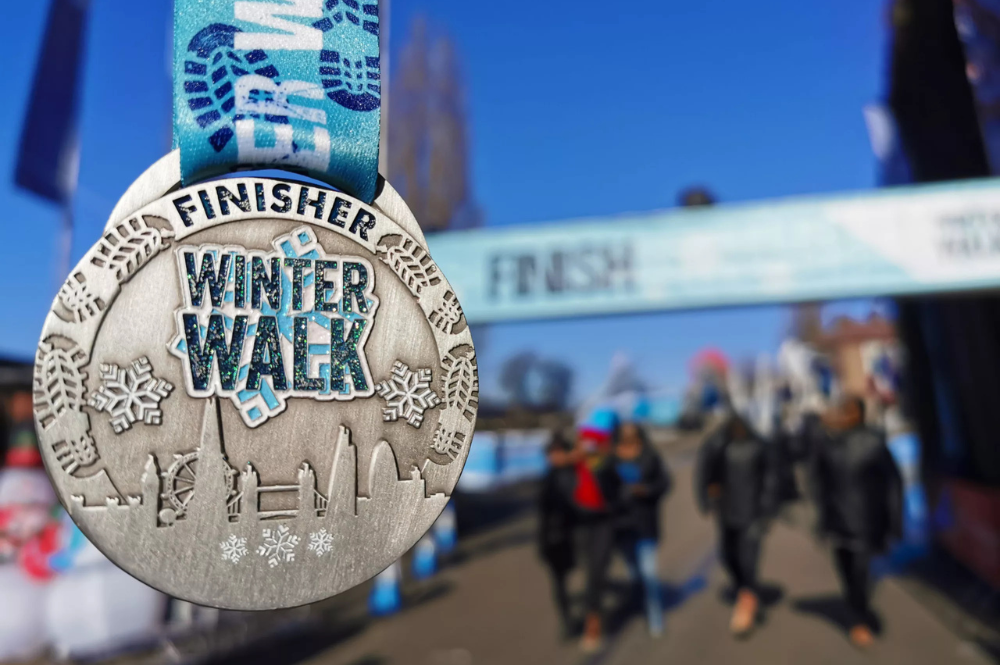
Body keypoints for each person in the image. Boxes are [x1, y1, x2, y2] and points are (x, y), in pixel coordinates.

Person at [809, 395, 903, 649]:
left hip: (866, 523)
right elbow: (819, 482)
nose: (842, 415)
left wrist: (895, 522)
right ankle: (854, 609)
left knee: (861, 573)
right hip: (837, 523)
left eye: (847, 411)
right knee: (846, 572)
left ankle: (859, 620)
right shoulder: (829, 443)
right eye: (841, 411)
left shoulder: (874, 443)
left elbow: (893, 484)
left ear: (858, 414)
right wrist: (821, 519)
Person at [695, 413, 779, 637]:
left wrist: (768, 510)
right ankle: (744, 588)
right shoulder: (719, 445)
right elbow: (704, 471)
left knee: (748, 559)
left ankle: (747, 602)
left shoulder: (760, 446)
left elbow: (771, 479)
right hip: (727, 512)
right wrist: (705, 499)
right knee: (727, 556)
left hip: (753, 513)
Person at [613, 422, 671, 636]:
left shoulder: (650, 455)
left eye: (632, 433)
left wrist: (645, 490)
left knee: (649, 575)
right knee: (634, 573)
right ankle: (637, 606)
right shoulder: (612, 458)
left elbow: (665, 483)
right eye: (624, 433)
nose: (628, 437)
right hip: (621, 526)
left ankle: (655, 619)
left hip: (645, 524)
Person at [571, 412, 622, 653]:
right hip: (581, 519)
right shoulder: (578, 450)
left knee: (596, 571)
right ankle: (592, 614)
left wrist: (598, 458)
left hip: (603, 519)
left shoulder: (606, 455)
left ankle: (594, 621)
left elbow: (613, 477)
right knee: (589, 569)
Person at [537, 431, 578, 639]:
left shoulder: (578, 474)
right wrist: (543, 544)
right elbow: (543, 517)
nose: (556, 456)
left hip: (578, 537)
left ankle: (592, 620)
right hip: (555, 542)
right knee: (560, 586)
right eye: (552, 453)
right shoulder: (547, 480)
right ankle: (567, 621)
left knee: (588, 580)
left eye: (560, 452)